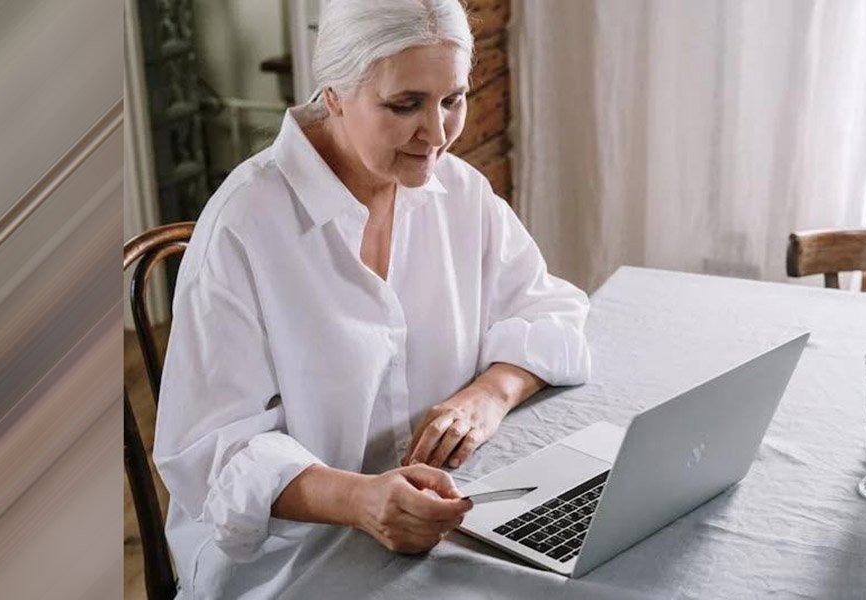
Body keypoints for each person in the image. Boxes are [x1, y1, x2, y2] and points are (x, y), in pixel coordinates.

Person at [152, 0, 591, 596]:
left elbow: (551, 311)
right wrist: (360, 500)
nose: (437, 134)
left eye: (453, 99)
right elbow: (212, 456)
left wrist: (487, 396)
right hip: (289, 563)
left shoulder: (460, 193)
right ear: (334, 94)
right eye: (405, 105)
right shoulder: (243, 227)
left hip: (439, 532)